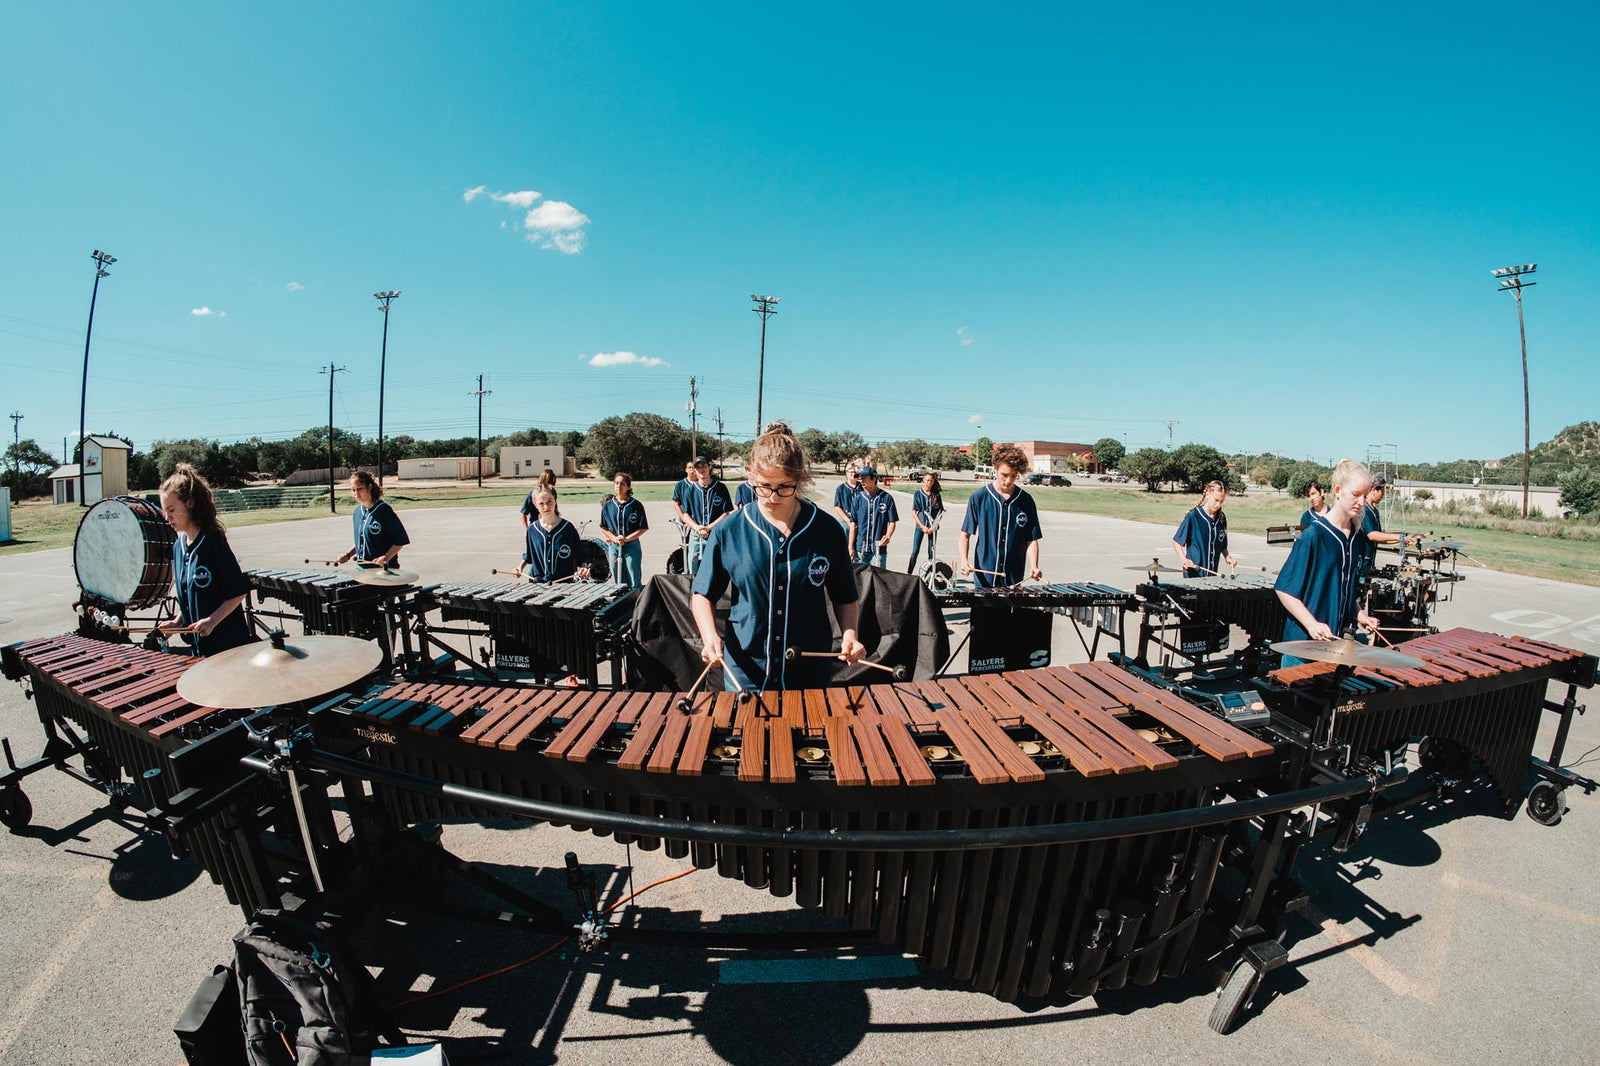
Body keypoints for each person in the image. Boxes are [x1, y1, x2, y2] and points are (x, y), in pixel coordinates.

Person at [692, 424, 864, 691]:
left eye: (784, 487)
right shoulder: (729, 530)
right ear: (750, 476)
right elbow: (702, 594)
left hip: (808, 670)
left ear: (800, 479)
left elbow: (845, 596)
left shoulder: (827, 530)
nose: (773, 497)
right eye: (764, 487)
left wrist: (850, 635)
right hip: (746, 670)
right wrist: (709, 636)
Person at [1275, 459, 1381, 664]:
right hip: (1303, 648)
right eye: (1356, 494)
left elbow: (1342, 591)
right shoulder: (1313, 536)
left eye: (1365, 495)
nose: (1361, 502)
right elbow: (1284, 590)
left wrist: (1360, 615)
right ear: (1338, 490)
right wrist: (1312, 624)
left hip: (1336, 647)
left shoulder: (1356, 537)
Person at [158, 463, 255, 657]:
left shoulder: (212, 541)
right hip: (201, 649)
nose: (167, 517)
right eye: (164, 511)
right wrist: (177, 622)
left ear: (190, 503)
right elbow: (192, 596)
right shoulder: (178, 547)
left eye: (171, 510)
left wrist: (212, 621)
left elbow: (237, 591)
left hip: (228, 647)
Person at [959, 444, 1043, 587]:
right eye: (1004, 475)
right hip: (985, 577)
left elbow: (1031, 539)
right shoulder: (979, 498)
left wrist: (1034, 565)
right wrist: (964, 560)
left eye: (1014, 476)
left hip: (1014, 578)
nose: (1008, 480)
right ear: (995, 468)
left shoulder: (1026, 501)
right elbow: (965, 535)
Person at [515, 485, 590, 582]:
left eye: (549, 502)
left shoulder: (568, 528)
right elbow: (529, 555)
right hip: (539, 583)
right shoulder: (532, 530)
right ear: (535, 504)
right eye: (541, 503)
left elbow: (580, 554)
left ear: (555, 500)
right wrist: (520, 567)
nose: (546, 507)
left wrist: (584, 567)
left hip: (564, 584)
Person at [337, 470, 409, 567]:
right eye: (353, 490)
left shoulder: (383, 510)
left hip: (384, 570)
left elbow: (400, 540)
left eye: (360, 489)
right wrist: (348, 555)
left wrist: (386, 557)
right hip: (362, 569)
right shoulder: (357, 512)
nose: (356, 493)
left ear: (369, 487)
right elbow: (363, 540)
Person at [682, 456, 734, 577]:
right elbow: (685, 514)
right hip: (696, 533)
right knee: (693, 561)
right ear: (694, 470)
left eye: (704, 466)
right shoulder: (690, 490)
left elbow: (726, 512)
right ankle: (694, 586)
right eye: (698, 467)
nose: (701, 469)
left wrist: (709, 527)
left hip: (715, 532)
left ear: (709, 467)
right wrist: (697, 528)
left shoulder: (720, 488)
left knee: (716, 562)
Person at [1172, 481, 1237, 578]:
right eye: (1216, 500)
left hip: (1212, 575)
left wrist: (1227, 557)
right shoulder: (1193, 516)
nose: (1218, 504)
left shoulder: (1221, 518)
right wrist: (1183, 559)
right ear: (1208, 494)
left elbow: (1222, 545)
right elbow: (1176, 541)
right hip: (1194, 575)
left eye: (1221, 501)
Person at [600, 472, 648, 590]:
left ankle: (636, 597)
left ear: (628, 487)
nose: (619, 486)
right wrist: (614, 538)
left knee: (633, 575)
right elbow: (603, 527)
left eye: (622, 484)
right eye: (616, 483)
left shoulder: (636, 505)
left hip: (631, 545)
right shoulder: (608, 505)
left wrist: (626, 539)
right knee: (618, 578)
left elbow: (643, 528)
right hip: (614, 546)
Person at [1359, 476, 1413, 572]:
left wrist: (1401, 540)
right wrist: (1399, 537)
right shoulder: (1364, 510)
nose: (1383, 495)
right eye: (1382, 491)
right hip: (1361, 562)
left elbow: (1380, 537)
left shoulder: (1375, 511)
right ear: (1374, 490)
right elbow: (1372, 535)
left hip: (1370, 563)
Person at [847, 466, 898, 566]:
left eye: (864, 478)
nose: (862, 481)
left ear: (873, 479)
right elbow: (853, 525)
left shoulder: (886, 498)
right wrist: (850, 547)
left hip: (879, 549)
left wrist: (888, 536)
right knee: (861, 576)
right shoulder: (857, 499)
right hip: (861, 550)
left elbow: (892, 522)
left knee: (879, 575)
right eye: (860, 478)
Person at [907, 472, 944, 572]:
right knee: (915, 551)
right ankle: (909, 573)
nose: (929, 482)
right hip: (921, 526)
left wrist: (934, 526)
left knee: (931, 551)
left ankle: (930, 573)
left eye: (931, 480)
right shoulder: (918, 494)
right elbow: (914, 512)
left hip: (932, 527)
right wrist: (922, 526)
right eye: (927, 480)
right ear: (923, 481)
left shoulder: (936, 495)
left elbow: (940, 512)